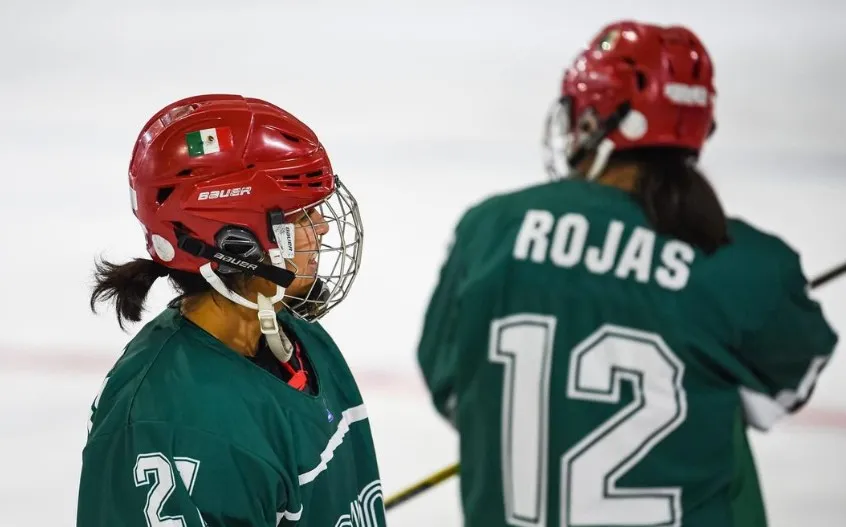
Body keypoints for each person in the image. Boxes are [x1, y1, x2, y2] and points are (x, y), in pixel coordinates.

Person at [416, 20, 838, 527]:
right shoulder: (746, 265)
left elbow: (449, 382)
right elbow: (786, 387)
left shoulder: (491, 230)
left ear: (595, 120)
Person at [77, 94, 386, 526]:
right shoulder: (171, 424)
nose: (324, 226)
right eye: (303, 215)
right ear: (236, 244)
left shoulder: (299, 337)